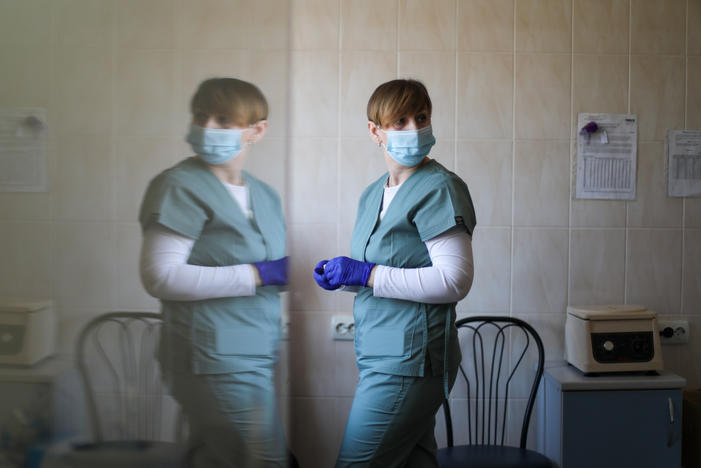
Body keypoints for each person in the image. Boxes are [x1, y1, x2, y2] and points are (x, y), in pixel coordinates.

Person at [313, 79, 476, 467]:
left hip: (412, 359)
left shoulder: (440, 188)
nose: (414, 129)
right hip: (381, 351)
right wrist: (347, 278)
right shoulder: (373, 194)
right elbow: (391, 273)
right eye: (399, 121)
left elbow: (455, 280)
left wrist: (366, 274)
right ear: (375, 131)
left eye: (420, 118)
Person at [138, 78, 288, 467]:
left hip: (254, 352)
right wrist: (256, 274)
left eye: (224, 120)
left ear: (257, 130)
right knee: (261, 460)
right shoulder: (178, 186)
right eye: (202, 116)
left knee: (215, 458)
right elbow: (160, 277)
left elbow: (270, 268)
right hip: (209, 358)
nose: (208, 128)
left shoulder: (266, 195)